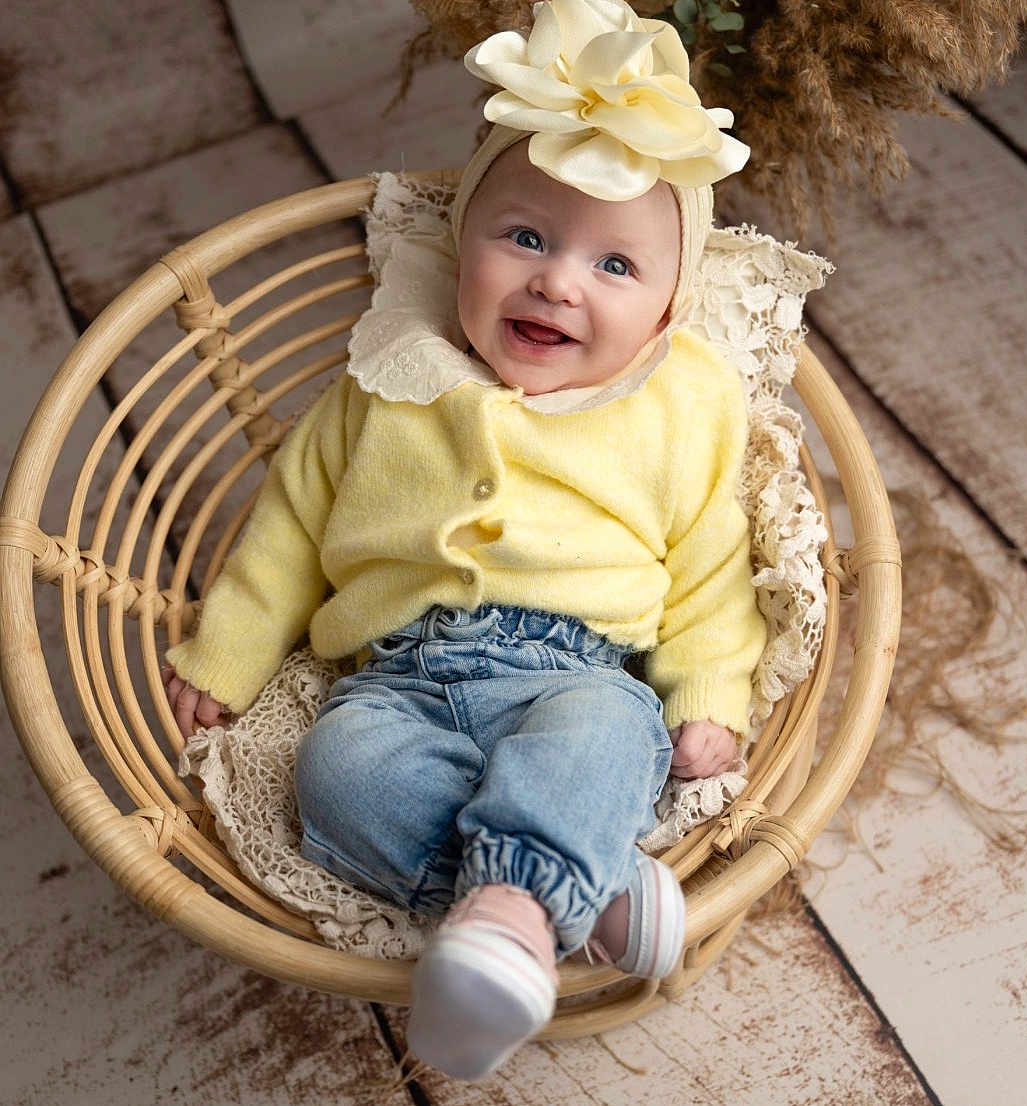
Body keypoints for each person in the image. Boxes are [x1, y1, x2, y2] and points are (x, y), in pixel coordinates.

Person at [163, 0, 766, 1080]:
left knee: (591, 739)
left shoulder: (676, 406)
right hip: (396, 680)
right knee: (336, 772)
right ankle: (560, 902)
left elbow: (710, 564)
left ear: (670, 309)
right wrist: (231, 647)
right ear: (459, 247)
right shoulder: (392, 375)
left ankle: (506, 907)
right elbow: (292, 524)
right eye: (524, 236)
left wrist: (708, 690)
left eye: (614, 267)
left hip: (573, 673)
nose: (556, 280)